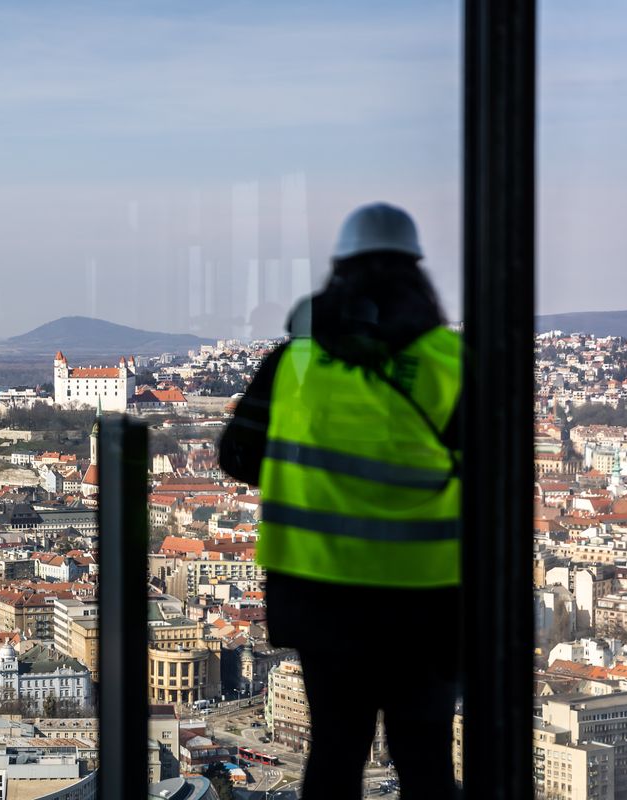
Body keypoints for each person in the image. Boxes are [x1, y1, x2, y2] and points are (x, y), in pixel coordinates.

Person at [219, 203, 461, 799]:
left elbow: (236, 458)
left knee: (336, 745)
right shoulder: (452, 363)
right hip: (424, 594)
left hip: (318, 589)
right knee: (424, 751)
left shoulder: (294, 361)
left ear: (340, 273)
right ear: (417, 275)